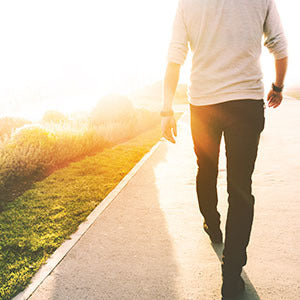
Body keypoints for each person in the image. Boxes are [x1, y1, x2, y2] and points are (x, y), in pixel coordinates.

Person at [161, 0, 288, 298]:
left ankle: (213, 224)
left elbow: (174, 57)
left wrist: (166, 110)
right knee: (240, 187)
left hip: (204, 105)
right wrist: (278, 87)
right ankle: (231, 272)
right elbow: (279, 48)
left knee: (206, 168)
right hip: (246, 103)